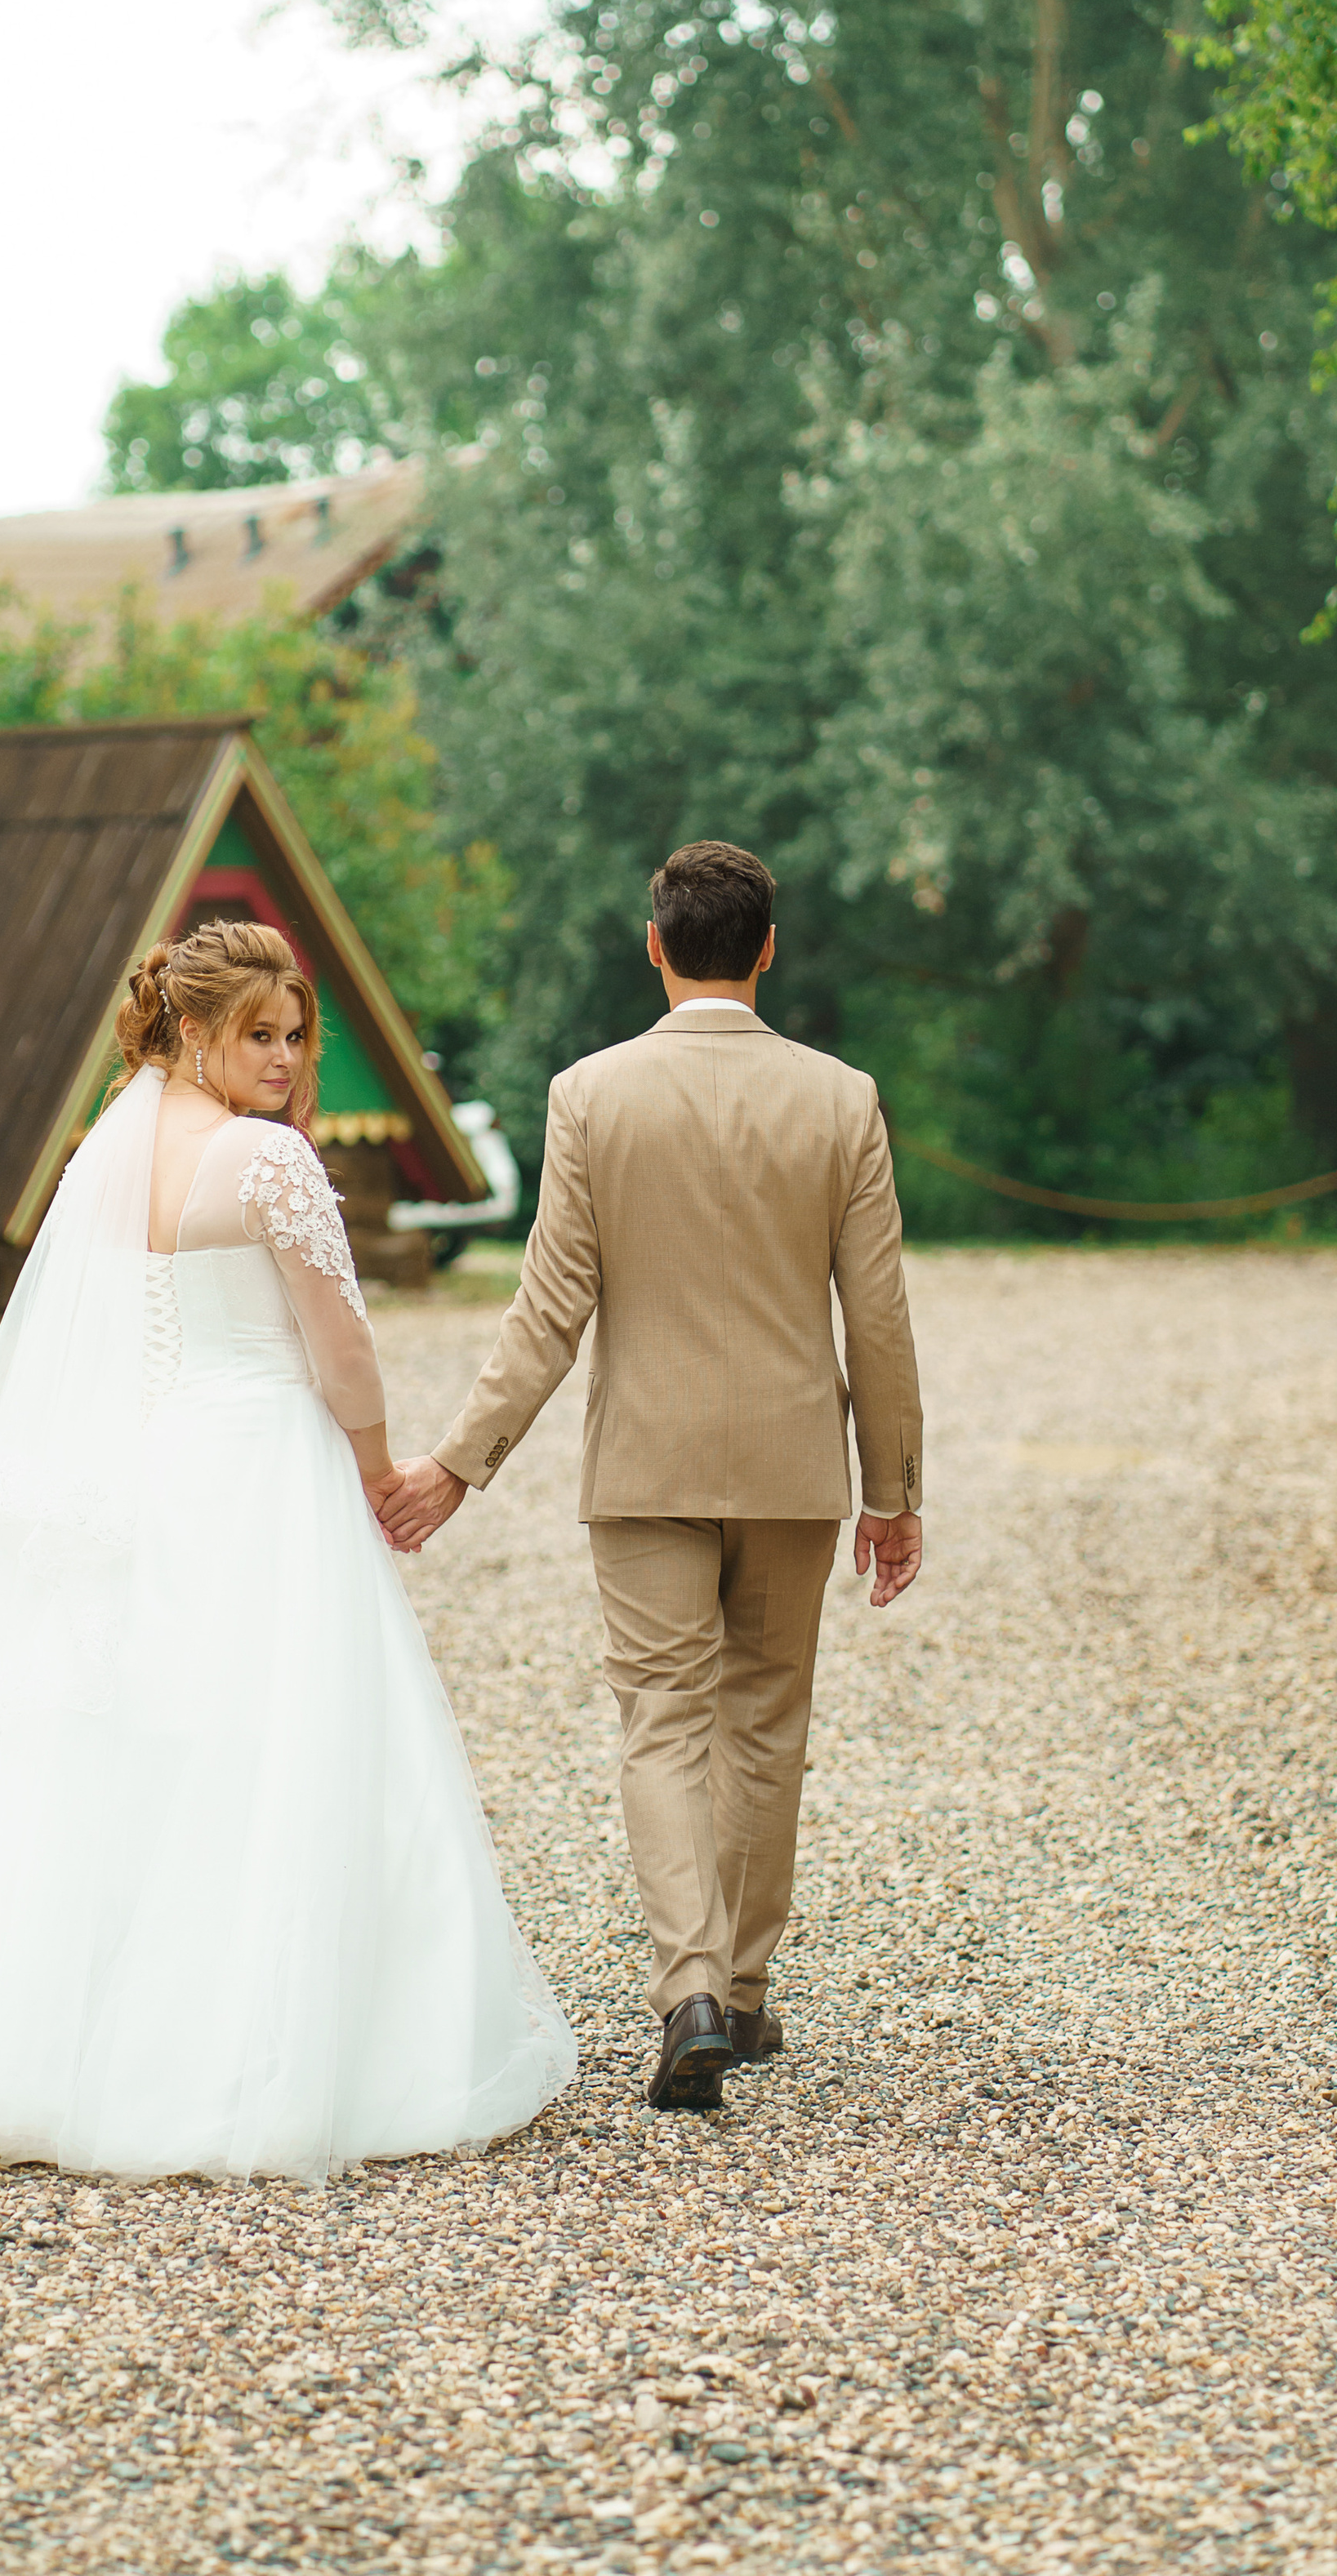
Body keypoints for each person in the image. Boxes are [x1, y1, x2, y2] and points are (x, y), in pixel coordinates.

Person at [0, 920, 574, 2182]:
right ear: (194, 1030)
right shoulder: (270, 1163)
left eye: (294, 1033)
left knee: (139, 1731)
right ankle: (257, 2045)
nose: (283, 1055)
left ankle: (54, 2033)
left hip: (163, 1457)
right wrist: (378, 1471)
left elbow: (86, 1346)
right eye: (258, 1033)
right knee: (278, 1738)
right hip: (264, 1462)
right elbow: (344, 1348)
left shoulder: (118, 1147)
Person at [379, 842, 923, 2112]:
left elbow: (550, 1307)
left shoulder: (591, 1095)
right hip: (796, 1466)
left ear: (655, 944)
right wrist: (894, 1491)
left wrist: (461, 1464)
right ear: (769, 947)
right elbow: (879, 1318)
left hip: (644, 1468)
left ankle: (685, 1992)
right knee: (765, 1723)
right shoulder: (843, 1099)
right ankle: (738, 1989)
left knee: (663, 1720)